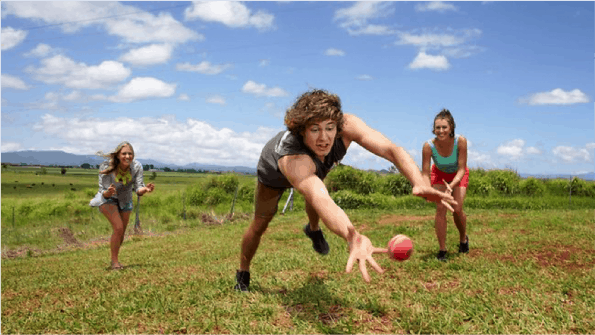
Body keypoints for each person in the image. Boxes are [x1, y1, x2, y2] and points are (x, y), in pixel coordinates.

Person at [234, 89, 457, 291]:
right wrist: (352, 235)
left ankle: (313, 229)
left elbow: (391, 149)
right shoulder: (293, 158)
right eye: (314, 130)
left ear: (338, 125)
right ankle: (243, 273)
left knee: (317, 186)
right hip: (273, 172)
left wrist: (417, 181)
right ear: (302, 130)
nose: (324, 138)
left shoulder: (348, 124)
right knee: (261, 222)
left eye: (330, 128)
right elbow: (321, 198)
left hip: (313, 172)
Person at [89, 141, 155, 270]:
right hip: (107, 199)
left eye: (130, 154)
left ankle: (116, 260)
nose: (127, 156)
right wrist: (108, 192)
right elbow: (103, 190)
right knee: (118, 228)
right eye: (124, 153)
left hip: (125, 199)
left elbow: (138, 188)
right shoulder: (106, 166)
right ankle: (114, 263)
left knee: (121, 232)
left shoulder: (136, 167)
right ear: (118, 155)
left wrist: (145, 190)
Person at [422, 109, 469, 261]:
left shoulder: (460, 141)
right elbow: (425, 173)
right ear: (433, 129)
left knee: (457, 208)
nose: (440, 131)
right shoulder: (428, 146)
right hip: (439, 175)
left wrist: (451, 186)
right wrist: (428, 190)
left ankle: (463, 238)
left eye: (444, 127)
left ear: (451, 128)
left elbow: (462, 169)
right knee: (440, 209)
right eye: (437, 128)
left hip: (458, 175)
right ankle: (442, 250)